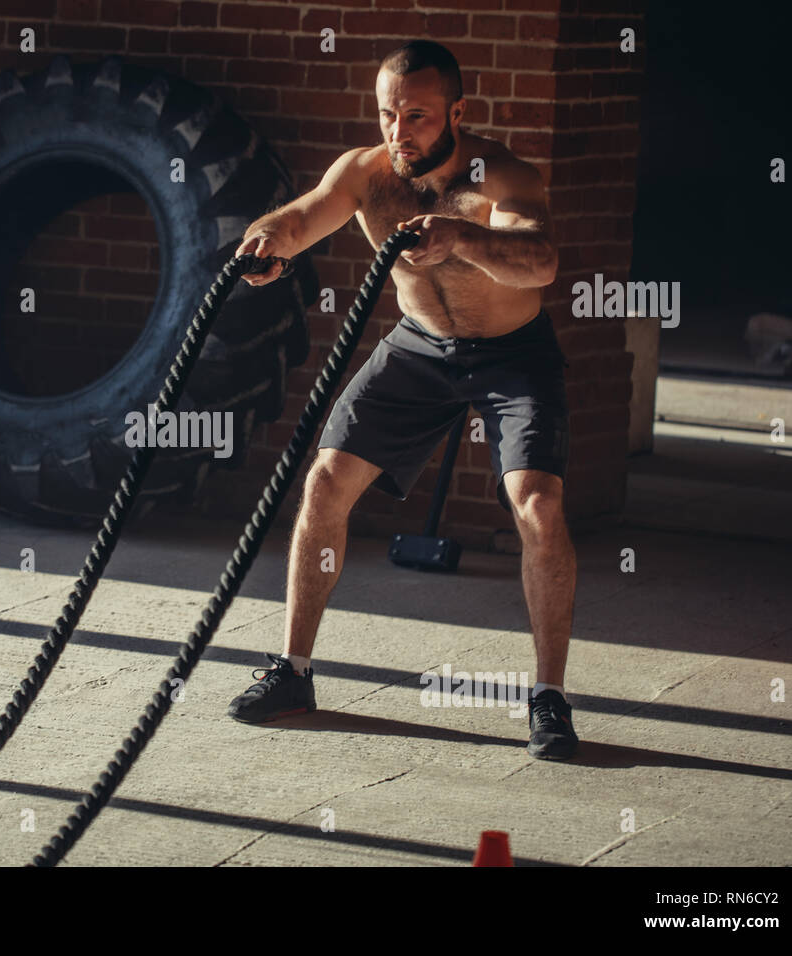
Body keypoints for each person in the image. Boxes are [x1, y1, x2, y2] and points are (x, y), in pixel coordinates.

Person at [227, 40, 578, 759]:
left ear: (457, 111)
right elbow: (305, 213)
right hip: (420, 347)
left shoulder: (501, 174)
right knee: (324, 481)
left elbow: (540, 261)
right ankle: (294, 672)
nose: (399, 131)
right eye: (388, 114)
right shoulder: (368, 173)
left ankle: (548, 697)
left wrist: (463, 239)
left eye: (416, 115)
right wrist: (272, 237)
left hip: (513, 354)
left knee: (537, 506)